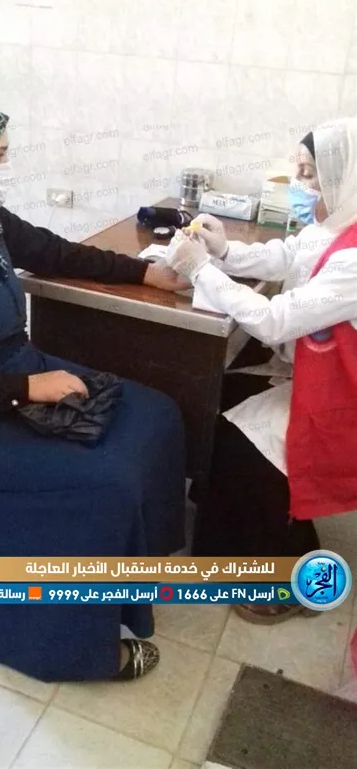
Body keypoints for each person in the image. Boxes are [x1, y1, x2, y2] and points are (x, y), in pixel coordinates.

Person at [0, 87, 188, 681]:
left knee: (156, 415)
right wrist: (27, 390)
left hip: (14, 369)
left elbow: (51, 250)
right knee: (103, 481)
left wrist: (144, 273)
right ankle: (67, 648)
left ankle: (132, 576)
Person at [166, 118, 357, 624]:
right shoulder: (334, 225)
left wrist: (199, 269)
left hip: (343, 399)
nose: (300, 184)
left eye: (311, 174)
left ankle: (289, 574)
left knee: (243, 439)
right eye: (300, 170)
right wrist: (223, 250)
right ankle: (229, 526)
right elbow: (286, 257)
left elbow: (274, 320)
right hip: (314, 372)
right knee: (217, 392)